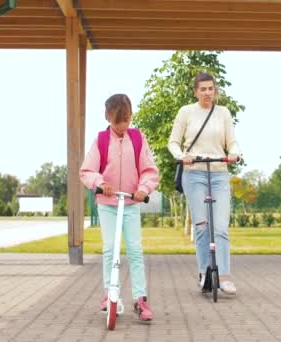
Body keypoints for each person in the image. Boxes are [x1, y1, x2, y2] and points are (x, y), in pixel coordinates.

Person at [80, 94, 159, 321]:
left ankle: (140, 298)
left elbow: (149, 169)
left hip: (131, 203)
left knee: (135, 249)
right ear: (108, 118)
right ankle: (108, 294)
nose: (123, 126)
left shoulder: (137, 138)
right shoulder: (101, 141)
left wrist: (144, 188)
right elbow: (87, 170)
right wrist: (100, 183)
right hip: (108, 204)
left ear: (131, 116)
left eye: (126, 120)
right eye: (118, 121)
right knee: (110, 249)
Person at [168, 72, 241, 295]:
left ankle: (225, 277)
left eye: (211, 88)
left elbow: (232, 141)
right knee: (201, 227)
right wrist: (182, 156)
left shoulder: (223, 113)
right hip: (194, 173)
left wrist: (235, 153)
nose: (207, 93)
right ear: (195, 91)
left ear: (215, 90)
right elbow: (173, 142)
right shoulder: (186, 112)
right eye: (203, 89)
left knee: (220, 227)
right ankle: (203, 273)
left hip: (218, 173)